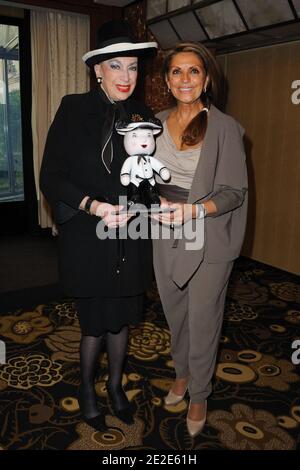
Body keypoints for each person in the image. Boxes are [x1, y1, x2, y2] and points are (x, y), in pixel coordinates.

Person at [40, 20, 157, 431]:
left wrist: (150, 204)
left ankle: (115, 385)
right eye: (117, 67)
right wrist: (93, 206)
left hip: (130, 235)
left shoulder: (143, 114)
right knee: (94, 321)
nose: (127, 76)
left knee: (123, 316)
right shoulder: (73, 108)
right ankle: (88, 388)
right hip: (89, 234)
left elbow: (147, 175)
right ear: (98, 71)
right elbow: (50, 177)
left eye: (133, 68)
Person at [151, 42, 248, 438]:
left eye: (194, 71)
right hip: (163, 231)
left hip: (206, 231)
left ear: (206, 78)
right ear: (167, 81)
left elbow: (233, 192)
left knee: (204, 317)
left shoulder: (225, 127)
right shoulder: (153, 123)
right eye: (177, 72)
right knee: (175, 312)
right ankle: (182, 374)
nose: (185, 79)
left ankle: (200, 394)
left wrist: (194, 210)